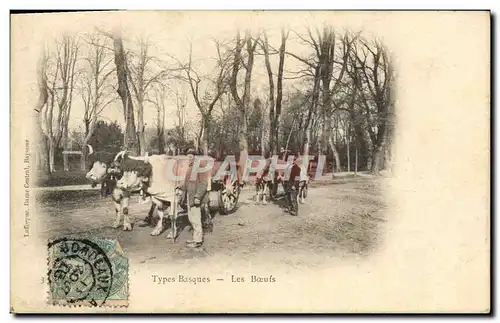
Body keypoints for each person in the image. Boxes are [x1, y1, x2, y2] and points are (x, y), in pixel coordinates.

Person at [180, 148, 210, 248]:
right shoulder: (190, 168)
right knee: (191, 218)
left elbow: (204, 183)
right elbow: (187, 183)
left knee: (196, 219)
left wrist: (198, 196)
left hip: (196, 197)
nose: (189, 158)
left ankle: (198, 241)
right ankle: (195, 238)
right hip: (189, 197)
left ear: (195, 157)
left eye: (191, 156)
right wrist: (180, 187)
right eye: (188, 156)